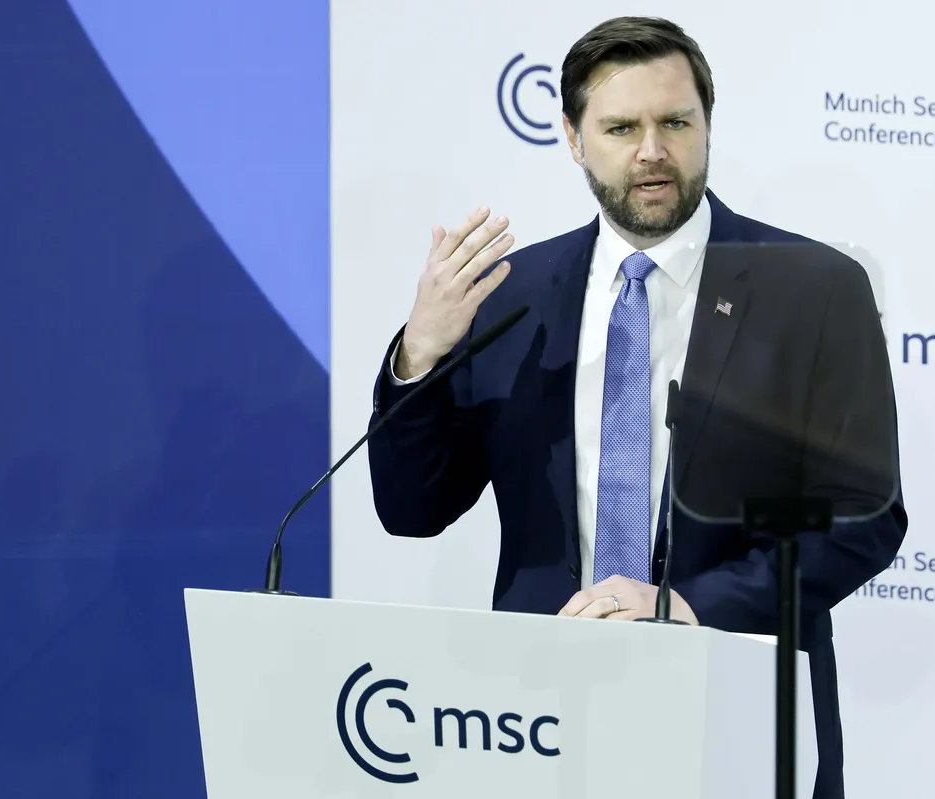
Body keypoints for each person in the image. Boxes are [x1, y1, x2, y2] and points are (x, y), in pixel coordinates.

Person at [367, 15, 907, 799]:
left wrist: (688, 606)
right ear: (573, 138)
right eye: (621, 128)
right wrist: (420, 353)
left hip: (740, 706)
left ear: (707, 125)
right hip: (537, 720)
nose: (652, 150)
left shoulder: (814, 289)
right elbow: (414, 508)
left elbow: (864, 517)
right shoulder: (511, 296)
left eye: (675, 123)